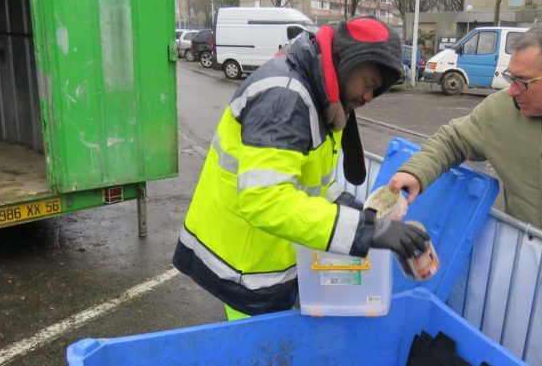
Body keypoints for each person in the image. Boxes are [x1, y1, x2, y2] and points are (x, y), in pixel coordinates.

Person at [173, 17, 429, 319]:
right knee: (259, 351)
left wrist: (357, 211)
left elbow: (307, 181)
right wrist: (367, 231)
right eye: (369, 84)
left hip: (265, 254)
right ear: (348, 61)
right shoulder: (286, 97)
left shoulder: (323, 96)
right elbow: (266, 201)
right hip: (242, 265)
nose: (369, 97)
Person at [389, 23, 542, 248]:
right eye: (510, 77)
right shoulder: (499, 110)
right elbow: (453, 139)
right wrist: (415, 172)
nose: (512, 91)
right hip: (524, 260)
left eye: (524, 81)